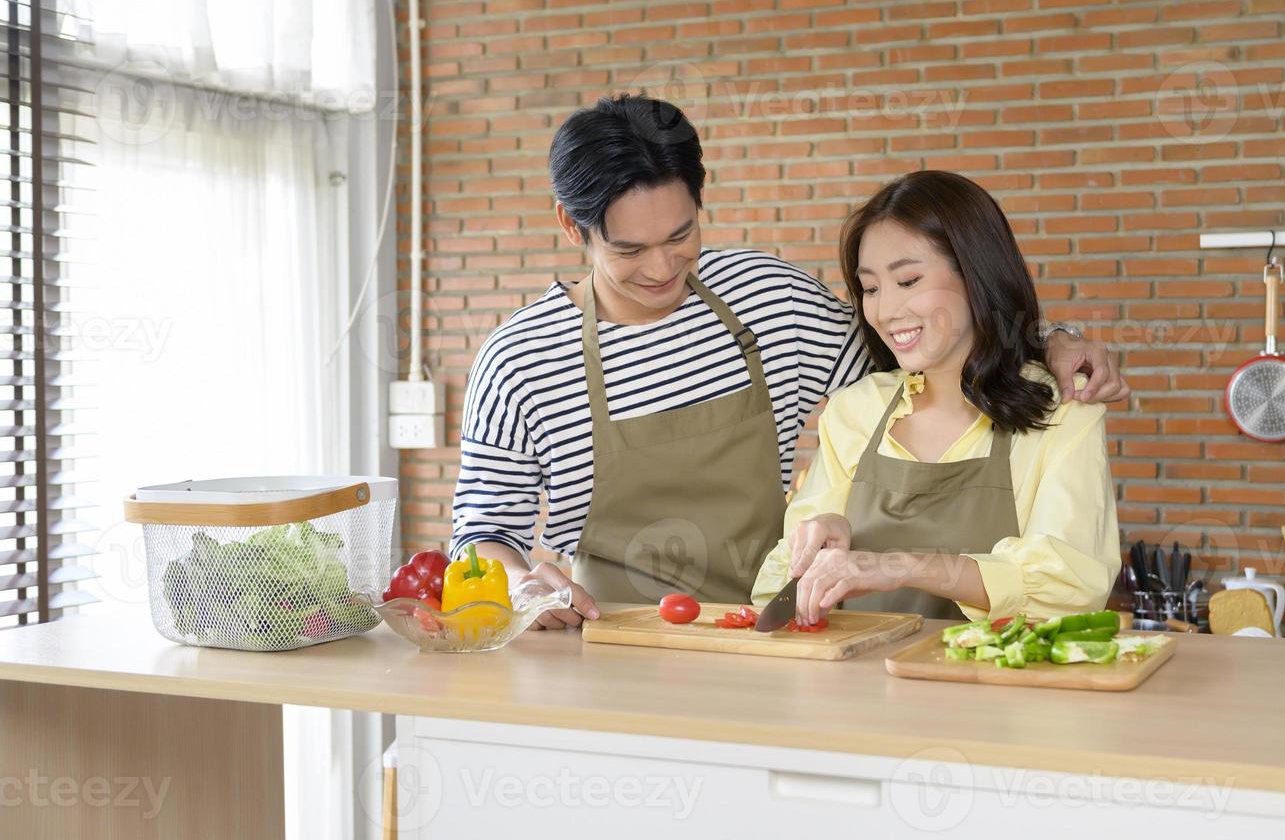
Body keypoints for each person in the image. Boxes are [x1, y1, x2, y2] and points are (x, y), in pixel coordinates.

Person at [454, 95, 1129, 629]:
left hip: (774, 627)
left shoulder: (766, 298)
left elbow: (923, 354)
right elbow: (481, 531)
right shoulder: (520, 360)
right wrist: (518, 581)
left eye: (681, 234)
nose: (663, 268)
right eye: (629, 250)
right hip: (620, 635)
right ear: (574, 229)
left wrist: (1049, 344)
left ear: (698, 202)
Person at [751, 170, 1119, 624]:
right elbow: (783, 592)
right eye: (870, 289)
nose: (885, 311)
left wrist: (902, 566)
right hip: (855, 687)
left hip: (996, 687)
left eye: (908, 281)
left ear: (975, 273)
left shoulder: (1063, 409)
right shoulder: (856, 410)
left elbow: (1070, 584)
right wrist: (827, 536)